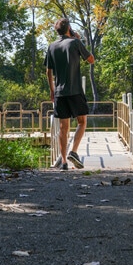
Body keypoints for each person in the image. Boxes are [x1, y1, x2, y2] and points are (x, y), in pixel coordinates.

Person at [44, 18, 95, 170]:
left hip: (59, 92)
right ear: (69, 28)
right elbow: (91, 60)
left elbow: (48, 71)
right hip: (75, 90)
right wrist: (79, 41)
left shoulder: (51, 46)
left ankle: (64, 162)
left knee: (63, 128)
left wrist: (52, 90)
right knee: (82, 122)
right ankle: (73, 151)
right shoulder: (75, 42)